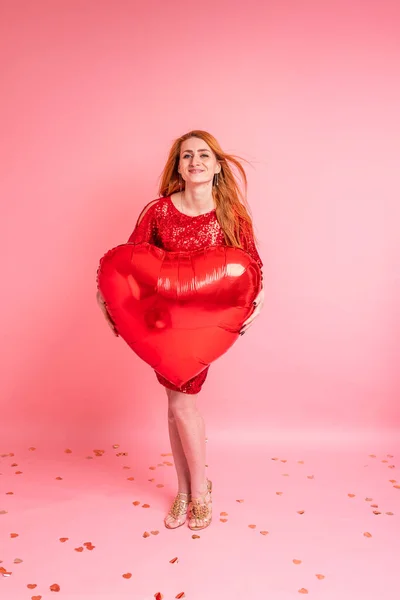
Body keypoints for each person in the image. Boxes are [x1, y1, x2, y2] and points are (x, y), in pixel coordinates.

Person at [97, 130, 264, 531]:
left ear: (217, 165)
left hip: (207, 325)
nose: (195, 162)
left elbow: (251, 265)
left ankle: (195, 490)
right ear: (178, 166)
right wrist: (107, 302)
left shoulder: (231, 215)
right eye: (186, 156)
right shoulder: (157, 211)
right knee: (177, 405)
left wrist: (254, 304)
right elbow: (129, 262)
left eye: (203, 155)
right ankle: (191, 490)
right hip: (162, 326)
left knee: (179, 405)